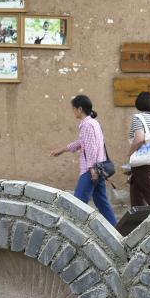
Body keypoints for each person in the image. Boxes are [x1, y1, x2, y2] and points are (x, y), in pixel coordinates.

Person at [50, 95, 117, 225]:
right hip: (99, 167)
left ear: (80, 109)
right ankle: (116, 229)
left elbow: (91, 147)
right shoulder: (94, 123)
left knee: (78, 203)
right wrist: (62, 150)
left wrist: (92, 169)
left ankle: (73, 230)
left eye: (74, 109)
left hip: (91, 169)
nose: (73, 111)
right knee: (101, 201)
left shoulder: (87, 125)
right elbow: (82, 143)